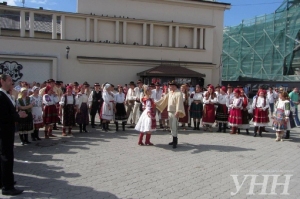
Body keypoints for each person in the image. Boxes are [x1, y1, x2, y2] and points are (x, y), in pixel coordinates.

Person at [0, 74, 26, 196]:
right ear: (2, 81)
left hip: (7, 131)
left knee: (5, 156)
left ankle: (5, 180)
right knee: (7, 157)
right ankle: (7, 186)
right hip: (4, 131)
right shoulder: (1, 96)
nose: (12, 82)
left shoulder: (6, 94)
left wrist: (17, 114)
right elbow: (3, 116)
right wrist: (18, 116)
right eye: (9, 80)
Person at [156, 80, 185, 149]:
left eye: (171, 86)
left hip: (175, 112)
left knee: (174, 126)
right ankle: (173, 140)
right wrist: (156, 103)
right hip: (170, 111)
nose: (169, 87)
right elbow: (164, 99)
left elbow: (179, 103)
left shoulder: (178, 93)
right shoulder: (170, 92)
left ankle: (175, 142)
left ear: (174, 86)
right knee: (171, 126)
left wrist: (178, 111)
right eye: (169, 86)